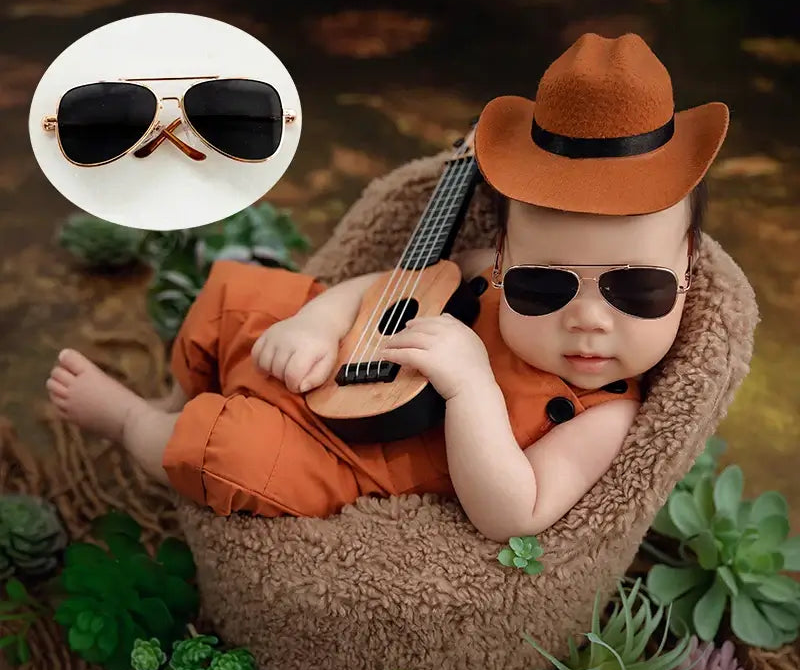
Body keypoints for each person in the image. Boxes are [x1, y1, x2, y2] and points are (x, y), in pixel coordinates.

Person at [45, 32, 728, 543]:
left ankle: (133, 422)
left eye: (637, 290)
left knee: (226, 454)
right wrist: (317, 323)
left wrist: (472, 387)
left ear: (688, 269)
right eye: (542, 287)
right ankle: (177, 395)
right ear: (506, 256)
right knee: (234, 295)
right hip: (335, 354)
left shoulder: (603, 416)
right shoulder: (486, 269)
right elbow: (395, 283)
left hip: (354, 455)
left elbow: (513, 513)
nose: (588, 319)